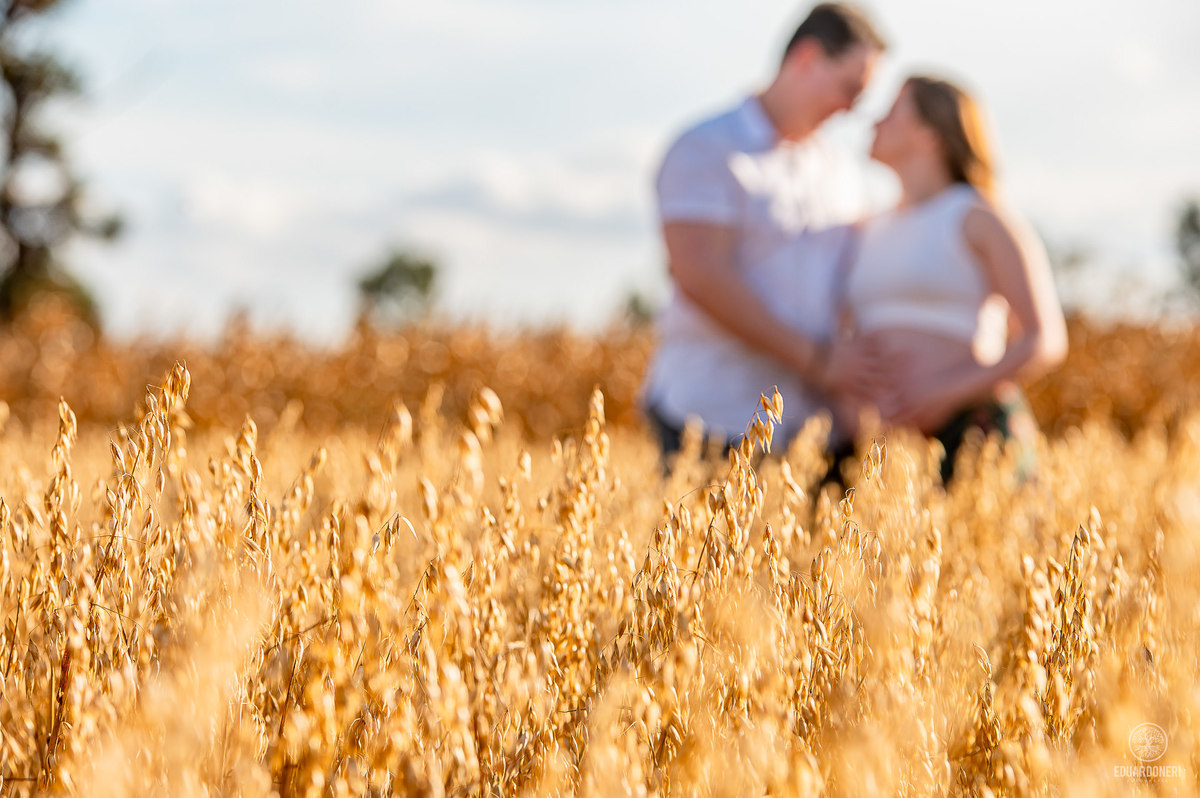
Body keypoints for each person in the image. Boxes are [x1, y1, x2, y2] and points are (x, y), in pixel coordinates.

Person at [641, 3, 888, 463]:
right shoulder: (706, 147)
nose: (853, 109)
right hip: (714, 415)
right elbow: (700, 275)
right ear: (807, 59)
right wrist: (818, 361)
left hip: (819, 431)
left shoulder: (839, 169)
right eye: (850, 89)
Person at [826, 75, 1068, 483]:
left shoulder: (980, 218)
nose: (873, 123)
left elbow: (1044, 339)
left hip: (973, 435)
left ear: (929, 135)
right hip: (881, 450)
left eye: (891, 112)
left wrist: (944, 394)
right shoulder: (868, 228)